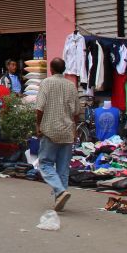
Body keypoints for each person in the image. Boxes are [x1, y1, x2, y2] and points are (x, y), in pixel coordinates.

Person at [34, 58, 80, 212]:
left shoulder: (46, 83)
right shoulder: (71, 86)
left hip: (51, 129)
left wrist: (38, 125)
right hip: (67, 131)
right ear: (64, 69)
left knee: (45, 163)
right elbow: (77, 112)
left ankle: (60, 191)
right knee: (63, 167)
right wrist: (75, 129)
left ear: (51, 69)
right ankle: (59, 198)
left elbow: (39, 107)